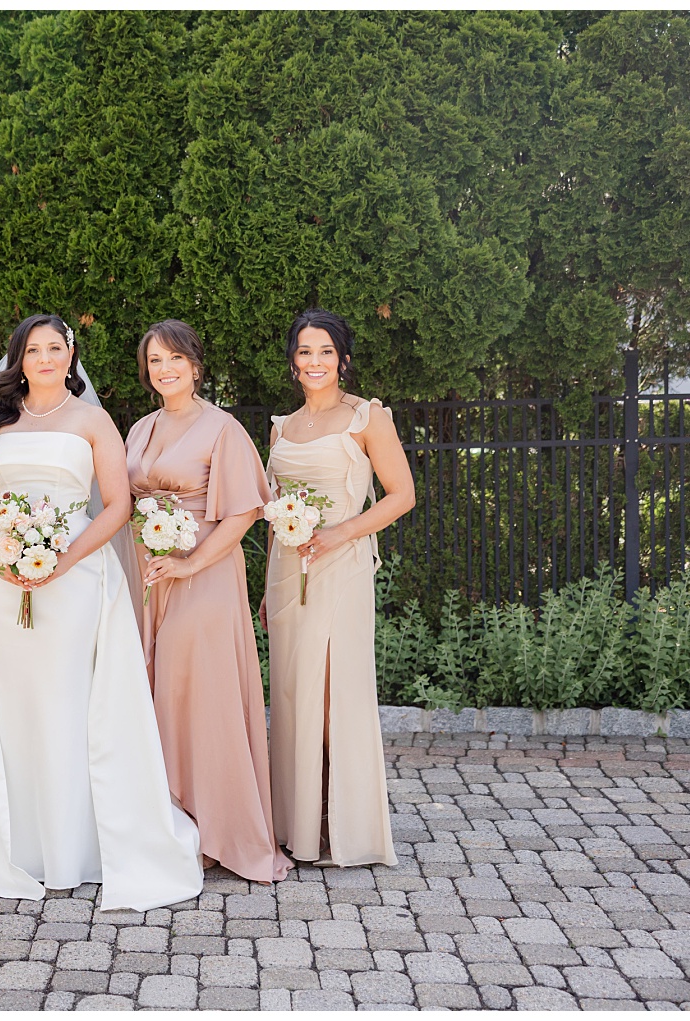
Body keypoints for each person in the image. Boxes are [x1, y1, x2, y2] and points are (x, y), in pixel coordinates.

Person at [0, 314, 202, 911]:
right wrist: (3, 557)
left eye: (55, 348)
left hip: (78, 578)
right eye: (33, 350)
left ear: (71, 353)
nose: (45, 358)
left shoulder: (92, 420)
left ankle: (72, 844)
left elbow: (117, 506)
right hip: (3, 579)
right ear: (19, 360)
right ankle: (18, 837)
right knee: (12, 700)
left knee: (66, 698)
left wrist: (63, 559)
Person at [125, 320, 292, 884]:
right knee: (162, 693)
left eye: (174, 359)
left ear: (195, 365)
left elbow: (245, 510)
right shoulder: (141, 428)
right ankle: (174, 824)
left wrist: (192, 561)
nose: (164, 370)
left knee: (202, 696)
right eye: (154, 362)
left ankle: (219, 830)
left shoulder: (224, 429)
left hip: (205, 577)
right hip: (152, 576)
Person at [261, 307, 414, 867]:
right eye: (305, 352)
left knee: (333, 695)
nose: (315, 361)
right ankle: (295, 824)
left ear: (343, 359)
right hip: (285, 573)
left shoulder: (367, 417)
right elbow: (276, 509)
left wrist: (339, 533)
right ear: (293, 362)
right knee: (293, 695)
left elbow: (401, 495)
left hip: (342, 567)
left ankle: (339, 824)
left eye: (326, 351)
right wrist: (266, 585)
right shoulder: (281, 427)